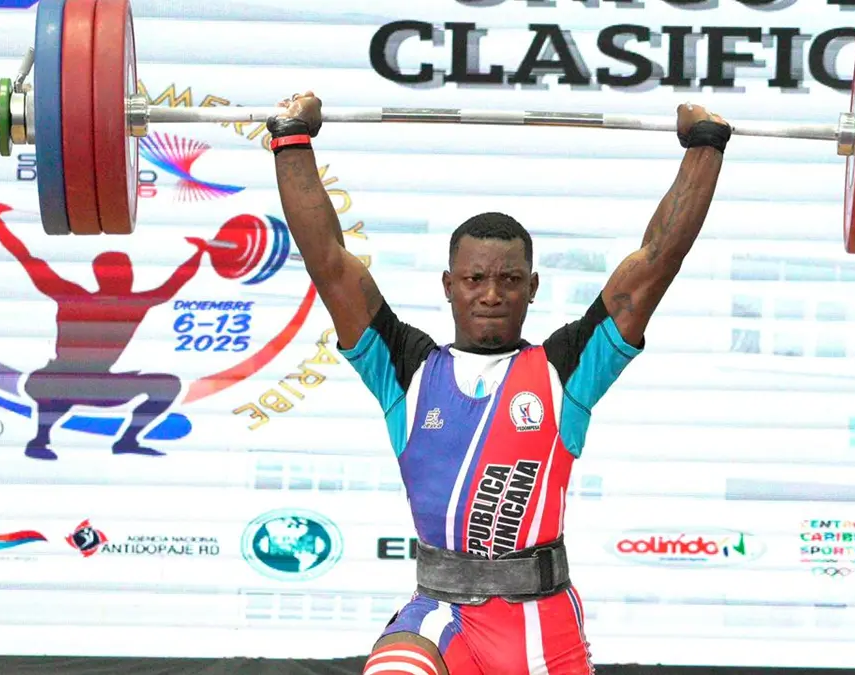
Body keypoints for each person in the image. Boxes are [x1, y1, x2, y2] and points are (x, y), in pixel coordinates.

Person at [267, 93, 728, 675]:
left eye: (509, 279)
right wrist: (290, 138)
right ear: (447, 284)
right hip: (440, 615)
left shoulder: (567, 369)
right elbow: (327, 260)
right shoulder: (405, 367)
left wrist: (704, 145)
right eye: (475, 278)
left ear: (532, 287)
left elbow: (657, 261)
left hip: (541, 626)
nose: (491, 293)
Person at [0, 202, 211, 460]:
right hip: (58, 380)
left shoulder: (125, 303)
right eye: (121, 272)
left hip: (95, 384)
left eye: (127, 271)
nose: (126, 276)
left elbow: (175, 283)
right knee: (60, 384)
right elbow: (25, 257)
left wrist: (199, 254)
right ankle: (40, 439)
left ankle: (126, 440)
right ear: (104, 276)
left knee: (168, 385)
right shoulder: (80, 298)